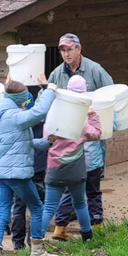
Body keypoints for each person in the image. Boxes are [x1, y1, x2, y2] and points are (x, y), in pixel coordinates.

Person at [0, 79, 58, 256]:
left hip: (1, 172)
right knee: (36, 207)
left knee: (3, 213)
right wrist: (49, 90)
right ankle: (37, 251)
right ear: (20, 98)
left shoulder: (2, 114)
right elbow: (39, 111)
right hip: (16, 172)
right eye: (25, 96)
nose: (28, 98)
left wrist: (47, 142)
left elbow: (26, 144)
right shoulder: (15, 115)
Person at [48, 33, 114, 239]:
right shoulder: (56, 75)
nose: (66, 54)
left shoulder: (95, 70)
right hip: (69, 145)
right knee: (80, 189)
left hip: (84, 145)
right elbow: (46, 101)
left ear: (79, 49)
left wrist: (109, 123)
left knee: (81, 189)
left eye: (69, 49)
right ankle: (90, 229)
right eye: (62, 50)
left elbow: (111, 96)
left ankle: (77, 228)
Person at [42, 75, 102, 243]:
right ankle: (87, 237)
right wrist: (92, 115)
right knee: (80, 204)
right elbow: (96, 134)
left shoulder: (54, 113)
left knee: (49, 207)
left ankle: (36, 241)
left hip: (55, 168)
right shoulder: (81, 120)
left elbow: (46, 138)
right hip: (76, 169)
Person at [10, 92, 47, 252]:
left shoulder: (15, 120)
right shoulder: (40, 119)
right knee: (37, 206)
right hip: (37, 167)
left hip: (19, 168)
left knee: (18, 205)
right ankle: (33, 240)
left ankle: (17, 243)